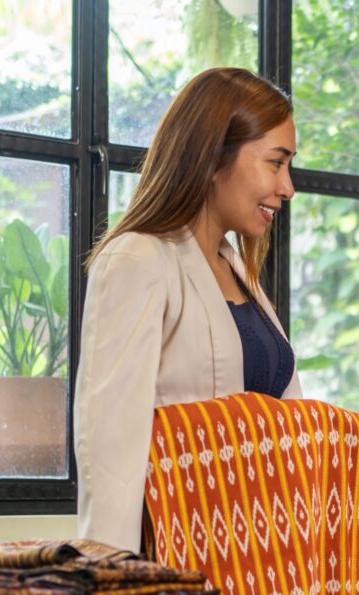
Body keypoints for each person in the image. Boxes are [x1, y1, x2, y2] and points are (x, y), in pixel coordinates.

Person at [74, 68, 303, 554]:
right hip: (183, 561)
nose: (288, 187)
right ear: (214, 156)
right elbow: (111, 440)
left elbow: (294, 430)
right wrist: (117, 579)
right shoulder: (137, 260)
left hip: (264, 566)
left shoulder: (236, 268)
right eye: (276, 163)